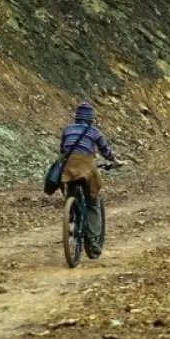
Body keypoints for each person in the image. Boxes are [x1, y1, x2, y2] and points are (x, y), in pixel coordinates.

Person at [59, 102, 120, 250]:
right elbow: (105, 151)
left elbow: (62, 149)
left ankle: (71, 211)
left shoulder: (67, 130)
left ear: (77, 117)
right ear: (91, 118)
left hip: (68, 165)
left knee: (70, 188)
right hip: (86, 166)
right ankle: (92, 241)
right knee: (93, 201)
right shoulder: (94, 132)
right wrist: (115, 161)